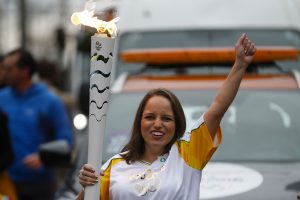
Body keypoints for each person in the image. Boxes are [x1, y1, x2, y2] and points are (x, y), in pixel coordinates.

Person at [76, 33, 256, 200]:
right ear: (140, 122)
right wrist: (87, 189)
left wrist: (240, 65)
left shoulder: (188, 154)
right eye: (150, 117)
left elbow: (217, 110)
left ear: (177, 124)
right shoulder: (113, 166)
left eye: (166, 118)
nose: (157, 124)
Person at [0, 48, 74, 200]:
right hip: (6, 181)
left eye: (8, 68)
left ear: (24, 71)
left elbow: (65, 139)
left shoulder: (50, 101)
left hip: (40, 184)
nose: (3, 72)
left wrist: (43, 157)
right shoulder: (2, 98)